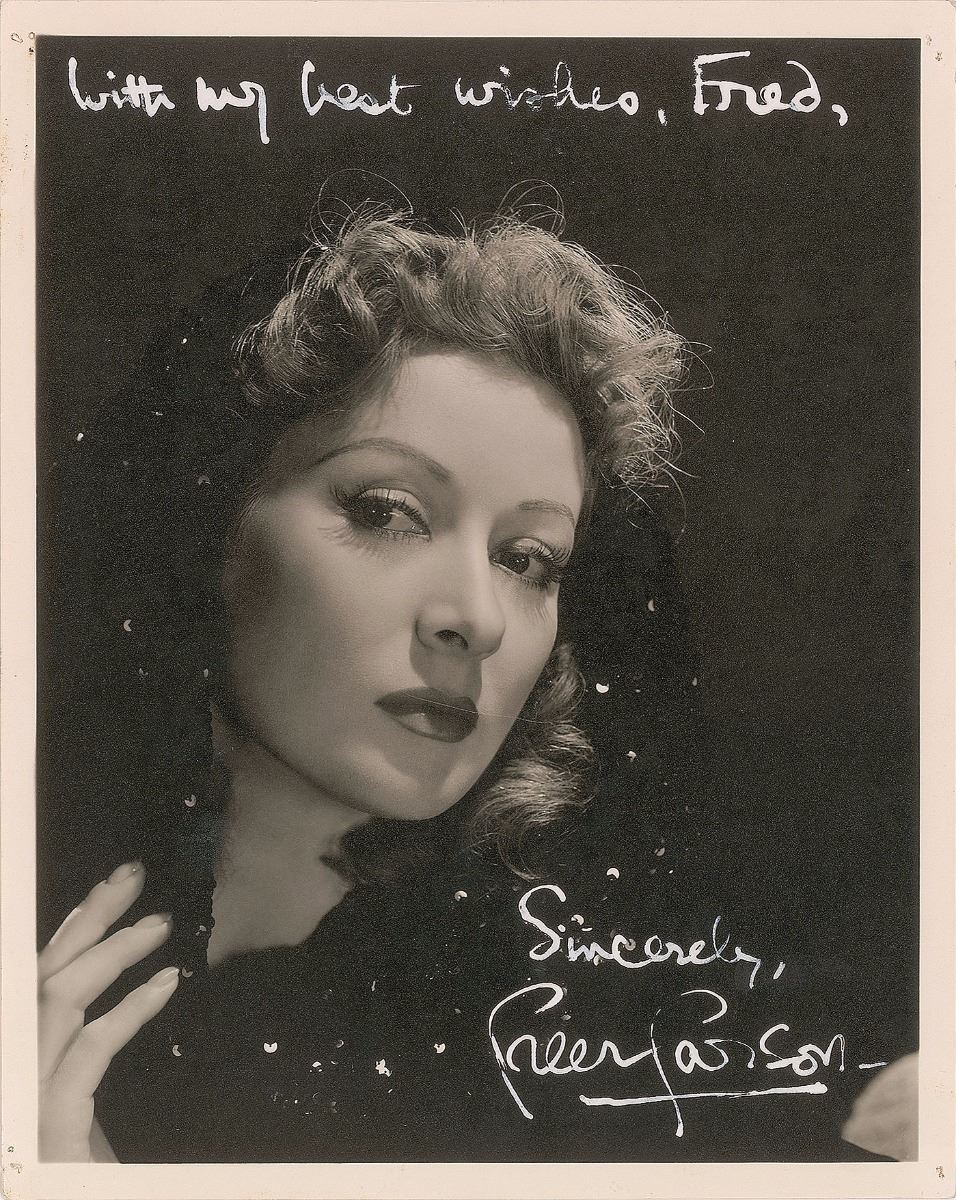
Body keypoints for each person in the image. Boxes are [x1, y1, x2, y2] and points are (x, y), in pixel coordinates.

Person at [37, 201, 905, 1164]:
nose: (479, 618)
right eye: (387, 510)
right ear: (211, 524)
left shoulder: (570, 1037)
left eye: (528, 559)